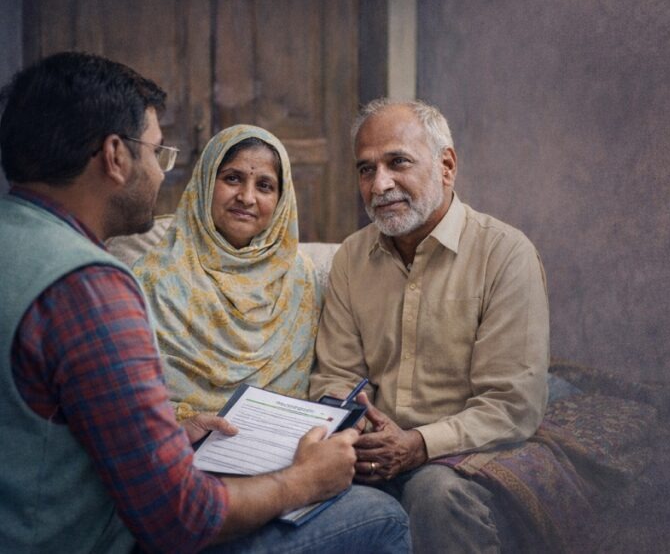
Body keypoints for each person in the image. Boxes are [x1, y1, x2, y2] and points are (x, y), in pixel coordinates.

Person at [0, 52, 409, 554]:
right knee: (382, 516)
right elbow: (180, 517)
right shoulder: (90, 288)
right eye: (157, 153)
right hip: (97, 538)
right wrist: (303, 481)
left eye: (265, 186)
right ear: (115, 156)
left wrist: (173, 432)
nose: (161, 173)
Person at [310, 97, 551, 552]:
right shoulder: (351, 258)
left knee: (433, 494)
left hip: (464, 455)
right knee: (313, 499)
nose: (380, 184)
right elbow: (335, 376)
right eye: (366, 169)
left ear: (446, 166)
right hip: (374, 454)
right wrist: (359, 436)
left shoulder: (505, 255)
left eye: (398, 162)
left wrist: (418, 444)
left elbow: (511, 404)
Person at [134, 125, 319, 420]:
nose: (247, 197)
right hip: (179, 439)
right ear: (206, 181)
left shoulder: (300, 276)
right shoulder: (153, 279)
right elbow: (130, 395)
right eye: (233, 179)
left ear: (282, 199)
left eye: (265, 186)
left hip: (283, 437)